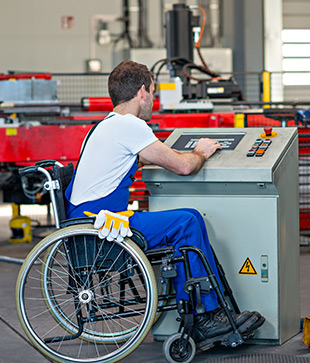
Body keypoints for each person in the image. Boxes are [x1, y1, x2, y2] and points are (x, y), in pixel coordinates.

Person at [65, 59, 264, 349]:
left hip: (89, 222)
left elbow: (134, 157)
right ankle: (206, 315)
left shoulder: (103, 127)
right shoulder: (130, 125)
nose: (153, 102)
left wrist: (153, 155)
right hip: (102, 228)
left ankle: (205, 310)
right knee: (188, 221)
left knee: (185, 220)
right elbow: (184, 167)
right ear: (143, 92)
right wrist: (200, 151)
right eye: (153, 94)